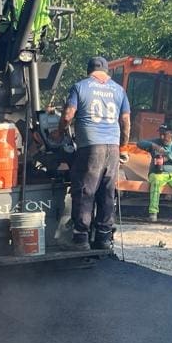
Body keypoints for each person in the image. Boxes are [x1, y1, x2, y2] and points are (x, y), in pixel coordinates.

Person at [58, 55, 130, 250]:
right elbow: (125, 121)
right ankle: (103, 238)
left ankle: (81, 238)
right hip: (112, 148)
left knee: (85, 190)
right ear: (106, 71)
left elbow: (68, 116)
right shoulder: (119, 90)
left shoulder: (80, 87)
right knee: (107, 192)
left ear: (89, 71)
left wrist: (59, 132)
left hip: (90, 147)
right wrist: (122, 145)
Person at [138, 125, 172, 224]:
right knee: (156, 182)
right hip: (157, 173)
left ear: (171, 134)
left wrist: (167, 155)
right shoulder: (157, 142)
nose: (162, 137)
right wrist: (153, 146)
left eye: (164, 134)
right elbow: (139, 143)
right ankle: (153, 213)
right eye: (160, 134)